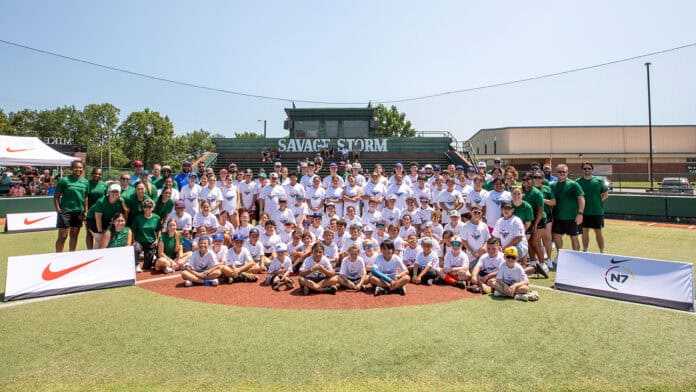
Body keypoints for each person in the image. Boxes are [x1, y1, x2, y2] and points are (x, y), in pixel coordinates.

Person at [54, 160, 89, 252]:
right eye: (76, 167)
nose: (78, 169)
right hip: (65, 211)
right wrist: (58, 210)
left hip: (79, 212)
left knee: (74, 236)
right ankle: (58, 255)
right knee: (63, 236)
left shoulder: (85, 182)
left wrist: (85, 210)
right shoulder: (64, 180)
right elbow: (56, 197)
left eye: (80, 168)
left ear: (83, 169)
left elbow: (85, 197)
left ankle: (71, 255)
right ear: (72, 169)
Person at [551, 164, 586, 254]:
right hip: (557, 217)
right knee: (556, 236)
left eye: (564, 171)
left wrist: (580, 213)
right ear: (556, 173)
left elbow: (581, 198)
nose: (562, 173)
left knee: (574, 237)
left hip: (572, 217)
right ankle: (560, 255)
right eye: (560, 171)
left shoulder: (573, 184)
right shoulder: (552, 185)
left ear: (567, 173)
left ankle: (576, 256)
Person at [576, 162, 609, 253]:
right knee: (584, 231)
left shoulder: (599, 181)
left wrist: (597, 201)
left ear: (592, 169)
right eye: (585, 168)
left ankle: (601, 251)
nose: (587, 170)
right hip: (583, 212)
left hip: (597, 212)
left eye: (589, 168)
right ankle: (585, 250)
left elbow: (605, 195)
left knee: (598, 231)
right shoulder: (578, 182)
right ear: (582, 170)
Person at [86, 183, 129, 249]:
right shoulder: (101, 201)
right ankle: (95, 256)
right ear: (109, 192)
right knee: (99, 239)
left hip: (106, 219)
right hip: (93, 219)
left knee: (108, 239)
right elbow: (98, 218)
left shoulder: (120, 201)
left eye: (116, 191)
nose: (114, 193)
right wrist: (100, 231)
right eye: (112, 191)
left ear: (119, 193)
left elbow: (122, 213)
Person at [132, 199, 162, 272]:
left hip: (151, 242)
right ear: (143, 208)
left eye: (149, 207)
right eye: (145, 207)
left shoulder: (157, 218)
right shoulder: (138, 218)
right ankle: (136, 264)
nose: (147, 208)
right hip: (140, 241)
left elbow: (159, 230)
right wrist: (133, 241)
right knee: (136, 248)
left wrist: (157, 240)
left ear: (153, 208)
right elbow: (133, 231)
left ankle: (153, 259)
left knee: (147, 267)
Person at [85, 168, 108, 250]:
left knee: (100, 232)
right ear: (92, 174)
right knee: (89, 233)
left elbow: (106, 198)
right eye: (95, 173)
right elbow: (86, 197)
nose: (97, 175)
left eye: (99, 174)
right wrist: (86, 210)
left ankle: (98, 250)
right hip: (90, 213)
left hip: (101, 213)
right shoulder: (87, 184)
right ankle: (90, 251)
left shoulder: (104, 185)